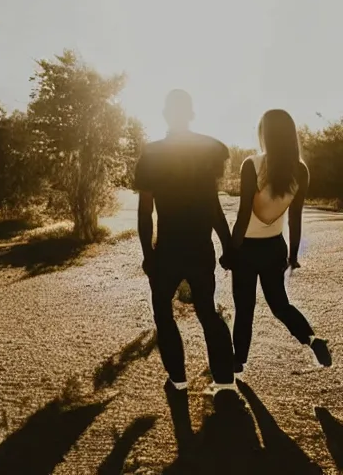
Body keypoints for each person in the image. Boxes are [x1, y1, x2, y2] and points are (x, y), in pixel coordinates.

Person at [135, 89, 235, 393]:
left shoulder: (151, 154)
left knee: (162, 311)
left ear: (166, 114)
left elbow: (145, 211)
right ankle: (225, 380)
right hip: (200, 247)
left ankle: (177, 379)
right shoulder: (210, 149)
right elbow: (213, 206)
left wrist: (147, 254)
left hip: (167, 248)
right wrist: (227, 246)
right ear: (191, 114)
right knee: (206, 309)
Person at [229, 109, 332, 374]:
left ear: (265, 134)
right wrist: (293, 255)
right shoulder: (300, 170)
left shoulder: (251, 164)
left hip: (247, 248)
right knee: (280, 305)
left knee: (244, 308)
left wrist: (230, 250)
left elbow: (243, 214)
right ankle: (312, 339)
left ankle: (238, 362)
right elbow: (296, 217)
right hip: (275, 247)